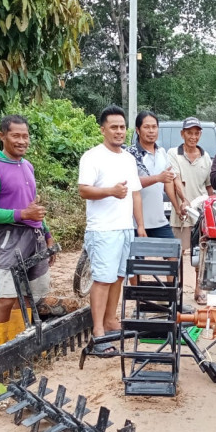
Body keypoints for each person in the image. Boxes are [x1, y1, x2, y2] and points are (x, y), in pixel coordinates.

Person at [0, 114, 56, 348]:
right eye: (16, 135)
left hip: (35, 237)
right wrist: (22, 214)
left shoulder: (27, 165)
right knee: (6, 298)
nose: (22, 141)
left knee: (31, 295)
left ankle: (24, 346)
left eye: (25, 136)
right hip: (10, 240)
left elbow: (34, 207)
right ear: (1, 136)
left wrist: (48, 236)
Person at [78, 105, 145, 354]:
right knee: (102, 279)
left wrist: (139, 226)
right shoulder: (92, 157)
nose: (119, 131)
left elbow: (135, 194)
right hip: (103, 230)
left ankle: (109, 320)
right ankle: (97, 333)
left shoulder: (128, 158)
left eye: (122, 127)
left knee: (118, 277)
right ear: (103, 129)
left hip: (125, 228)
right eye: (114, 127)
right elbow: (84, 189)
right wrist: (110, 191)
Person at [167, 116, 214, 305]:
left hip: (200, 213)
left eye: (196, 133)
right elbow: (175, 180)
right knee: (177, 252)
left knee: (201, 252)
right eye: (189, 133)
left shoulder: (206, 156)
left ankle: (199, 288)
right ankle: (175, 289)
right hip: (181, 212)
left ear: (200, 135)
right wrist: (183, 201)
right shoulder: (173, 153)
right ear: (182, 134)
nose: (193, 137)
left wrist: (212, 207)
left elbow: (209, 186)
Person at [126, 111, 178, 240]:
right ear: (138, 130)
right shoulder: (130, 154)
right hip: (134, 223)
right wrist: (157, 178)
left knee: (174, 256)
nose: (151, 131)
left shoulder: (162, 152)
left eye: (154, 127)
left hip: (159, 221)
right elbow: (130, 183)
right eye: (146, 127)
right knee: (137, 260)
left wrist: (177, 207)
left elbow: (168, 182)